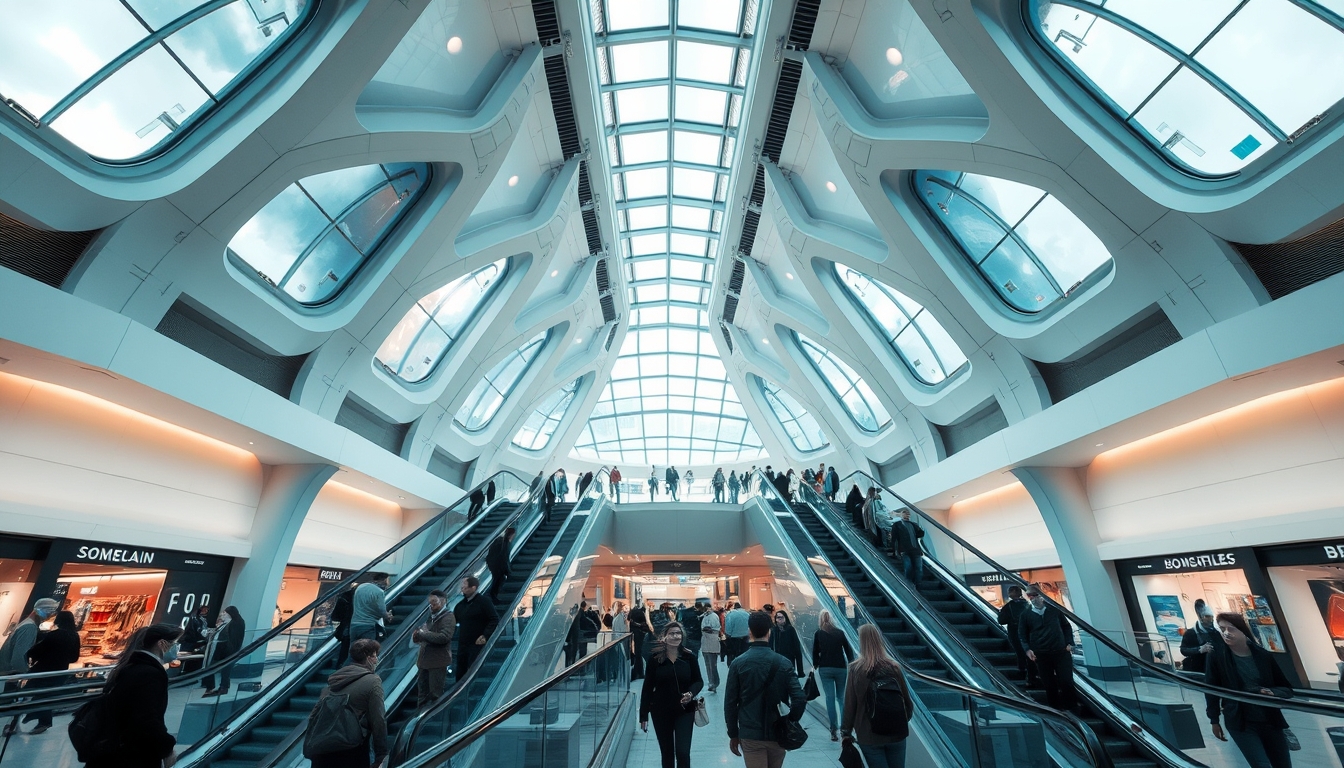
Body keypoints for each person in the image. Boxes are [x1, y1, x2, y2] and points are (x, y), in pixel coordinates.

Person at [82, 624, 181, 768]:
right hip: (131, 756)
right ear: (161, 644)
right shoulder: (150, 674)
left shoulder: (130, 667)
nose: (177, 648)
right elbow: (147, 719)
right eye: (175, 643)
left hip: (111, 752)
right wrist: (166, 749)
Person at [1205, 612, 1294, 768]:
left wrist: (1273, 692)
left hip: (1270, 720)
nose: (1226, 633)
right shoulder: (1217, 657)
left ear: (1242, 630)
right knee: (1261, 764)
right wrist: (1214, 719)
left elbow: (1286, 687)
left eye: (1231, 628)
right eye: (1222, 629)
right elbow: (1211, 689)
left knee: (1283, 764)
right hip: (1241, 722)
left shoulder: (1262, 655)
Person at [724, 611, 807, 768]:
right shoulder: (783, 663)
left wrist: (733, 733)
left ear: (750, 631)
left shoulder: (738, 663)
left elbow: (730, 703)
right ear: (769, 631)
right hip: (777, 732)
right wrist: (790, 721)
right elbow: (799, 698)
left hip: (750, 733)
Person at [841, 624, 914, 768]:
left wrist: (846, 732)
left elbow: (850, 705)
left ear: (861, 642)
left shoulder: (855, 669)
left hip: (869, 735)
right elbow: (907, 701)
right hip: (896, 733)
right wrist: (899, 720)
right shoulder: (894, 667)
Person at [311, 638, 388, 768]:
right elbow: (378, 720)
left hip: (323, 750)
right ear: (367, 658)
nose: (376, 660)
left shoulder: (333, 682)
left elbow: (313, 717)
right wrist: (381, 754)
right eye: (374, 656)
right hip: (352, 750)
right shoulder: (372, 681)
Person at [641, 622, 704, 768]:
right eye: (672, 633)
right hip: (661, 711)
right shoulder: (655, 659)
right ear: (664, 636)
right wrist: (643, 715)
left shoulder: (689, 657)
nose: (675, 636)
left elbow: (698, 681)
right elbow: (648, 687)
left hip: (684, 710)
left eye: (678, 633)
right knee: (667, 753)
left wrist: (691, 693)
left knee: (683, 752)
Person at [1018, 586, 1077, 711]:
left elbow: (1066, 626)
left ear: (1041, 595)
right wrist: (1028, 649)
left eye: (1035, 595)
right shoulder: (1026, 615)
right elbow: (1022, 634)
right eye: (1030, 596)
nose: (1033, 598)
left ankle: (1071, 708)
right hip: (1041, 653)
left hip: (1061, 651)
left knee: (1066, 681)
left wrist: (1069, 643)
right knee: (1049, 684)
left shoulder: (1054, 610)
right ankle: (1055, 708)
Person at [23, 609, 79, 733]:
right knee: (46, 696)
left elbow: (36, 651)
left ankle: (28, 717)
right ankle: (41, 721)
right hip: (60, 672)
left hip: (44, 671)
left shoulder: (54, 635)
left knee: (26, 692)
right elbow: (74, 657)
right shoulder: (75, 636)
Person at [812, 609, 853, 741]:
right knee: (841, 699)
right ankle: (845, 729)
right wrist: (851, 664)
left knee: (830, 698)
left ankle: (833, 730)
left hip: (825, 668)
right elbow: (848, 650)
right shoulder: (840, 633)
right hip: (841, 668)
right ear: (832, 619)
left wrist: (816, 664)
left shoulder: (818, 634)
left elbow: (815, 652)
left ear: (820, 619)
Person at [412, 589, 454, 710]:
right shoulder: (430, 617)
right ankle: (419, 720)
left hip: (437, 661)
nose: (431, 605)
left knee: (436, 695)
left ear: (443, 601)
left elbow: (444, 637)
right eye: (430, 603)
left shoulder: (448, 617)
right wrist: (417, 635)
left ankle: (433, 718)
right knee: (422, 695)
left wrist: (424, 634)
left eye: (434, 602)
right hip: (423, 661)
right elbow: (423, 636)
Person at [0, 597, 57, 682]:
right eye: (49, 613)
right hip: (9, 675)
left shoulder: (26, 623)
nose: (49, 616)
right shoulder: (29, 627)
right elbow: (18, 657)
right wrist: (28, 674)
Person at [453, 576, 498, 681]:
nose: (462, 589)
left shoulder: (484, 602)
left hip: (477, 643)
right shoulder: (460, 605)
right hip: (463, 643)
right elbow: (453, 622)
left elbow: (494, 619)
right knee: (460, 670)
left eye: (464, 587)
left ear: (473, 588)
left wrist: (485, 635)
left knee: (474, 669)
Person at [997, 585, 1037, 687]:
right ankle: (1032, 676)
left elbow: (1001, 621)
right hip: (1029, 632)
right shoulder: (1028, 605)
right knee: (1029, 652)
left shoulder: (1008, 607)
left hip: (1015, 632)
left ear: (1010, 594)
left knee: (1020, 652)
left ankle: (1023, 672)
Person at [203, 605, 246, 696]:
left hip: (227, 652)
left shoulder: (235, 624)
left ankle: (222, 687)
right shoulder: (229, 623)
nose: (222, 614)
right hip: (224, 651)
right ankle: (221, 687)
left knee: (221, 669)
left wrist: (228, 651)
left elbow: (233, 639)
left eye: (224, 613)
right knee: (223, 670)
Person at [351, 573, 392, 644]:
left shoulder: (360, 587)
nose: (389, 583)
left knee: (353, 650)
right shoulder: (379, 592)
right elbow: (381, 610)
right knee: (367, 650)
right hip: (368, 625)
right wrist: (388, 616)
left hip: (354, 624)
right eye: (389, 580)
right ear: (385, 580)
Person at [1180, 605, 1220, 675]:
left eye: (1212, 617)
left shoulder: (1216, 632)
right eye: (1207, 616)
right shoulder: (1191, 632)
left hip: (1214, 668)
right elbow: (1183, 650)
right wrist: (1199, 649)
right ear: (1201, 618)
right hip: (1197, 670)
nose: (1210, 619)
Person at [890, 509, 925, 587]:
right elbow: (894, 538)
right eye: (905, 514)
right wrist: (895, 550)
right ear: (901, 515)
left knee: (919, 568)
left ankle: (918, 584)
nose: (907, 515)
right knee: (908, 567)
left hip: (915, 550)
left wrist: (920, 528)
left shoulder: (913, 524)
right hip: (904, 550)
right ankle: (908, 585)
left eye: (908, 514)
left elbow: (920, 534)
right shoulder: (897, 525)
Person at [769, 611, 805, 678]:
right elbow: (770, 645)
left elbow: (797, 649)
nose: (780, 619)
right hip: (777, 659)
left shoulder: (790, 629)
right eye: (778, 617)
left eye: (781, 617)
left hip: (789, 659)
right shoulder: (774, 630)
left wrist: (800, 671)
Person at [486, 526, 515, 602]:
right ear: (511, 535)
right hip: (498, 565)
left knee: (497, 579)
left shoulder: (499, 540)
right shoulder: (506, 544)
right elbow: (504, 557)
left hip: (492, 563)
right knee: (499, 579)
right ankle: (492, 595)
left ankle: (493, 595)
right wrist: (508, 570)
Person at [330, 584, 356, 665]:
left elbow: (336, 616)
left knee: (345, 648)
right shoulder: (354, 599)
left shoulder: (344, 597)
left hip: (346, 627)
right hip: (352, 627)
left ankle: (341, 666)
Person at [701, 607, 723, 693]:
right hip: (705, 643)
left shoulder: (714, 616)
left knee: (712, 665)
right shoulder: (704, 616)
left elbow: (717, 628)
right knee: (708, 665)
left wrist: (710, 630)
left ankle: (714, 683)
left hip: (712, 643)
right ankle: (711, 683)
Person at [629, 602, 651, 680]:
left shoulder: (633, 614)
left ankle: (638, 672)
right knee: (639, 654)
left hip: (635, 636)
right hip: (640, 637)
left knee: (637, 655)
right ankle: (639, 672)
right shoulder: (641, 613)